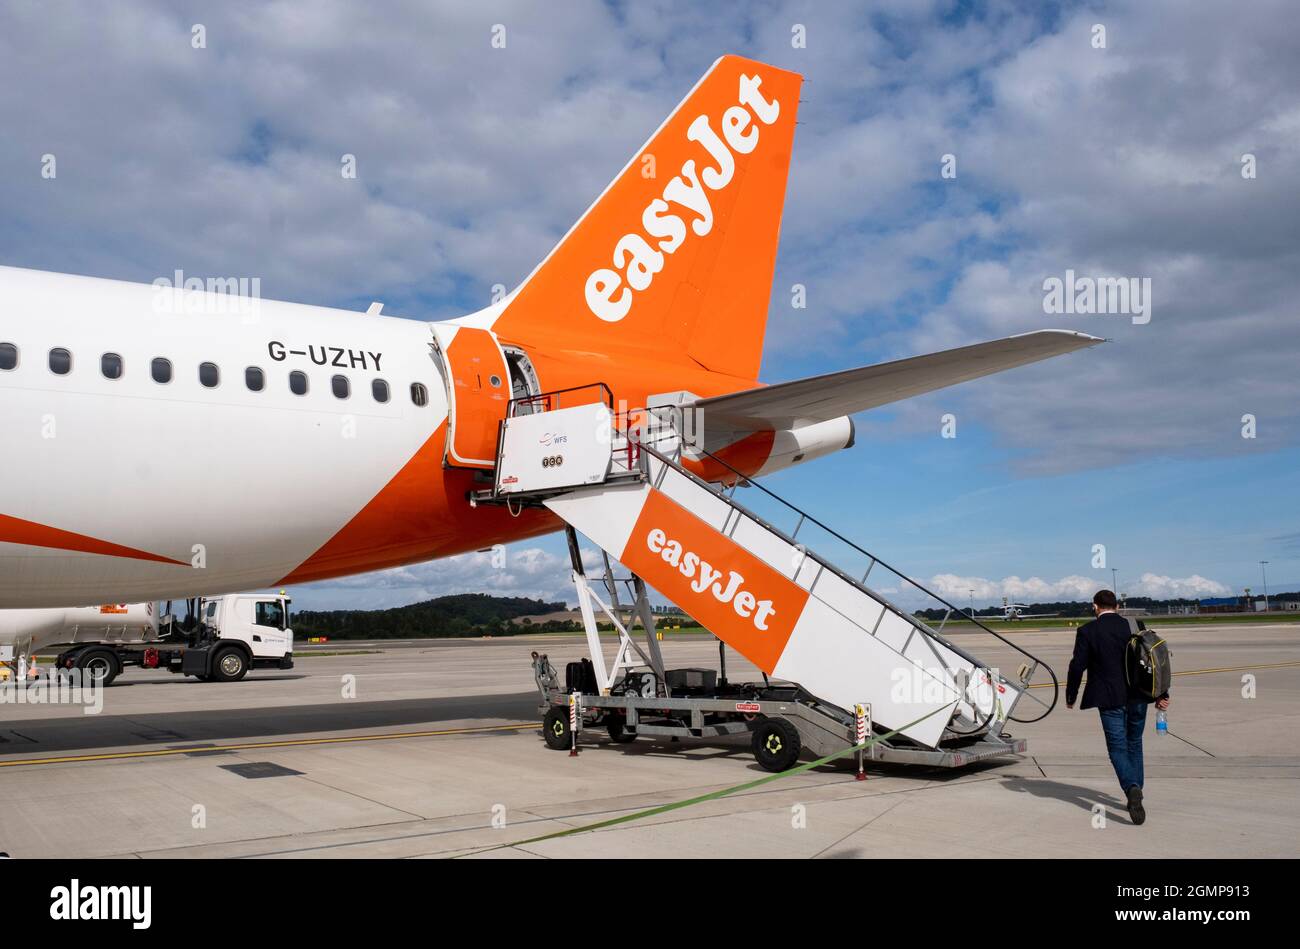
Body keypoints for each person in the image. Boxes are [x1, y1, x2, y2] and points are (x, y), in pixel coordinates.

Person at [1066, 589, 1170, 825]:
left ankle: (1131, 788)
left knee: (1117, 748)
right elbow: (1156, 661)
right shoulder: (1135, 625)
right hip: (1139, 697)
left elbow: (1077, 667)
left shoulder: (1087, 631)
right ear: (1117, 606)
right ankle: (1137, 791)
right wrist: (1162, 693)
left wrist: (1071, 694)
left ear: (1095, 607)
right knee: (1134, 742)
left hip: (1109, 698)